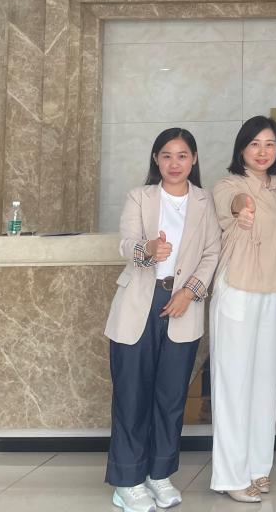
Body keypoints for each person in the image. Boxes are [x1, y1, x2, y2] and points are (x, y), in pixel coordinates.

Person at [104, 128, 220, 512]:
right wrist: (148, 249)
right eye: (166, 155)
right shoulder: (140, 197)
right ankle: (127, 481)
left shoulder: (205, 201)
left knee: (170, 398)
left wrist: (190, 292)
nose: (174, 163)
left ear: (194, 159)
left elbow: (212, 254)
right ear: (156, 159)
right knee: (132, 395)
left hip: (183, 304)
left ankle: (159, 474)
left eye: (182, 155)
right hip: (140, 302)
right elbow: (125, 244)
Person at [210, 116, 276, 503]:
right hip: (238, 289)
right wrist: (243, 209)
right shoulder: (229, 185)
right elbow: (235, 205)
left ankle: (258, 468)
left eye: (270, 144)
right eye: (255, 144)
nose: (263, 152)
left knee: (264, 384)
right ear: (241, 149)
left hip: (272, 291)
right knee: (233, 384)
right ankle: (231, 475)